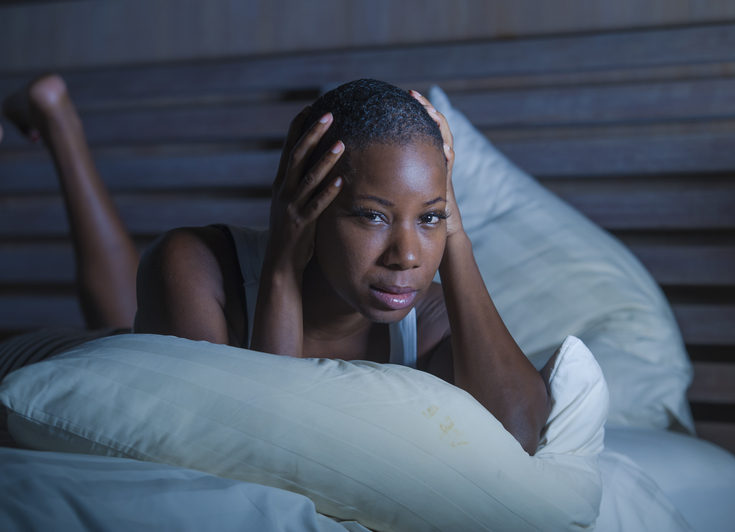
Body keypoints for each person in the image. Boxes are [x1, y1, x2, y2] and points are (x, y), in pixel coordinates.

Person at [2, 76, 554, 455]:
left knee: (127, 317)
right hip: (49, 361)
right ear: (305, 201)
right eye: (372, 216)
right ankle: (61, 125)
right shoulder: (191, 264)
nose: (407, 257)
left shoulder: (425, 314)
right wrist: (284, 264)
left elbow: (520, 432)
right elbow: (260, 439)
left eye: (429, 219)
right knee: (122, 319)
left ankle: (52, 110)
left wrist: (454, 232)